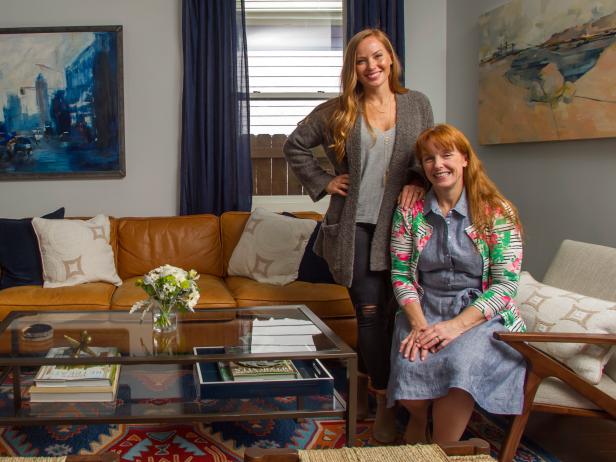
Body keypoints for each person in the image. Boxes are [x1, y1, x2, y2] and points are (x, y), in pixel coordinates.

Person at [284, 28, 433, 443]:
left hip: (399, 227)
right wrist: (324, 181)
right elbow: (295, 145)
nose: (371, 66)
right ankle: (385, 402)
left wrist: (419, 180)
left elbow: (428, 152)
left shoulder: (416, 104)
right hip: (353, 229)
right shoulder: (339, 111)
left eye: (377, 56)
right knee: (368, 315)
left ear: (390, 58)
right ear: (352, 68)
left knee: (390, 313)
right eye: (361, 60)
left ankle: (364, 388)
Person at [388, 123, 527, 444]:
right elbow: (401, 275)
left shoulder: (496, 211)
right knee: (411, 362)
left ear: (465, 159)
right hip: (426, 306)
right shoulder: (410, 212)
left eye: (446, 155)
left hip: (480, 313)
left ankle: (443, 447)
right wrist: (420, 326)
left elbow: (506, 285)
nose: (438, 165)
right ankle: (420, 416)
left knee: (459, 363)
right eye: (428, 159)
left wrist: (454, 328)